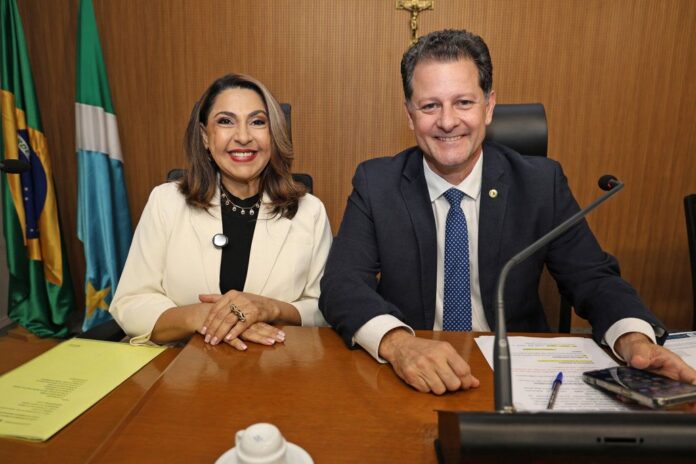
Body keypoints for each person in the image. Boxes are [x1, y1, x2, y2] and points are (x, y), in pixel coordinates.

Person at [319, 29, 696, 394]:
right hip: (413, 374)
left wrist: (633, 339)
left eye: (463, 102)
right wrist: (399, 343)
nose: (447, 121)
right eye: (430, 105)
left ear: (489, 106)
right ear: (409, 114)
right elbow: (341, 285)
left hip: (519, 375)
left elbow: (592, 278)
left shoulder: (540, 183)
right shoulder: (377, 183)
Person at [111, 73, 332, 349]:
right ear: (205, 136)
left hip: (275, 365)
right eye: (226, 121)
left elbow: (325, 308)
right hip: (181, 365)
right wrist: (206, 317)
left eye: (257, 122)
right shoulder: (165, 202)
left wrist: (270, 309)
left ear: (273, 135)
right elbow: (130, 303)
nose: (243, 137)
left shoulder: (310, 212)